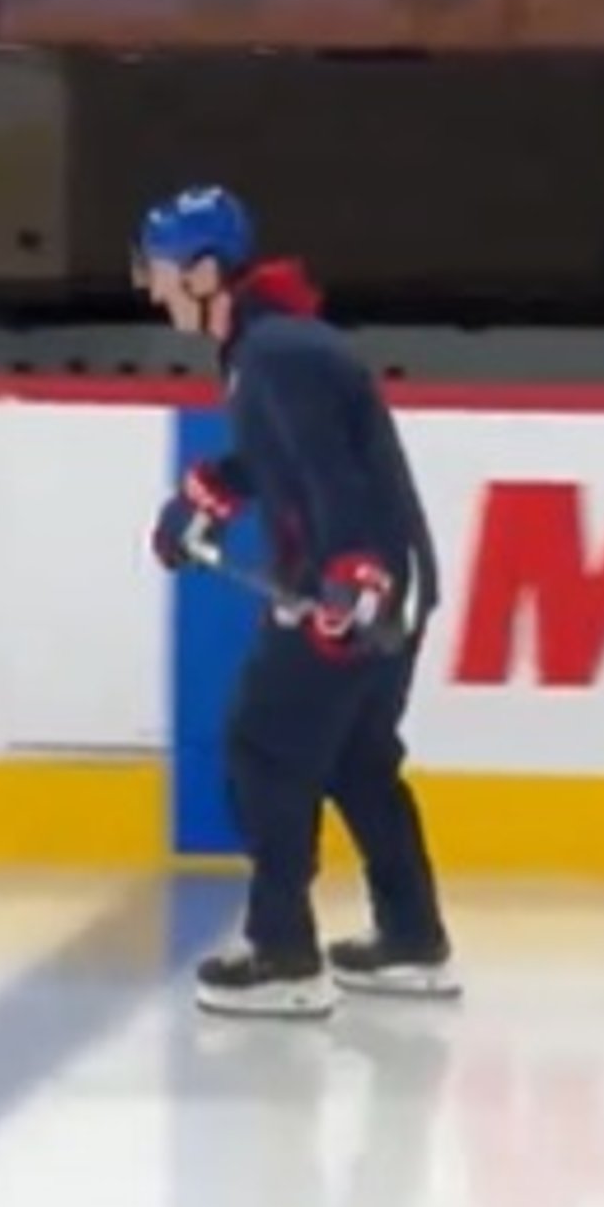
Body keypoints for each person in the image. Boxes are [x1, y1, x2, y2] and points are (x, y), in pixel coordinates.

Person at [139, 185, 459, 1018]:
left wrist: (352, 578)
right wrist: (207, 492)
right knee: (356, 760)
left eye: (166, 271)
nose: (153, 288)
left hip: (362, 584)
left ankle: (282, 954)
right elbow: (283, 458)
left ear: (208, 272)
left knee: (264, 744)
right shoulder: (270, 345)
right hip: (392, 581)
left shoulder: (274, 353)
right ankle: (412, 939)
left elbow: (333, 479)